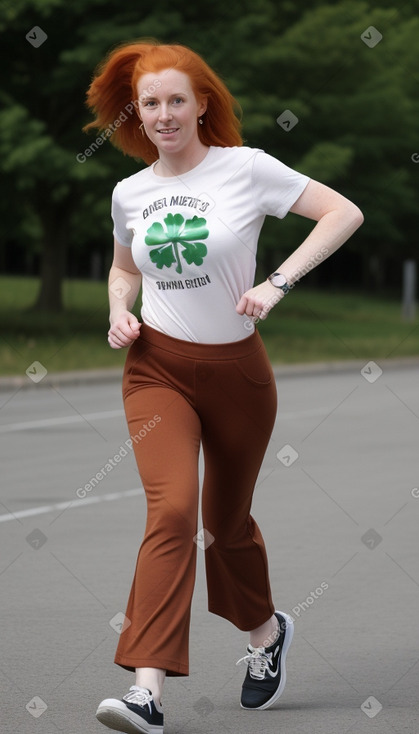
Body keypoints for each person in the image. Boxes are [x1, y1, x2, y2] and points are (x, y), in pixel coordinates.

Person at [83, 39, 363, 734]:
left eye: (178, 99)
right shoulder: (130, 192)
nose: (165, 114)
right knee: (171, 511)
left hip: (238, 373)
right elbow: (124, 270)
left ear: (202, 103)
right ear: (136, 114)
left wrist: (276, 283)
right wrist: (119, 309)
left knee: (225, 527)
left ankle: (266, 635)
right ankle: (146, 690)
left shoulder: (247, 169)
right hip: (157, 369)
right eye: (151, 104)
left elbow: (342, 213)